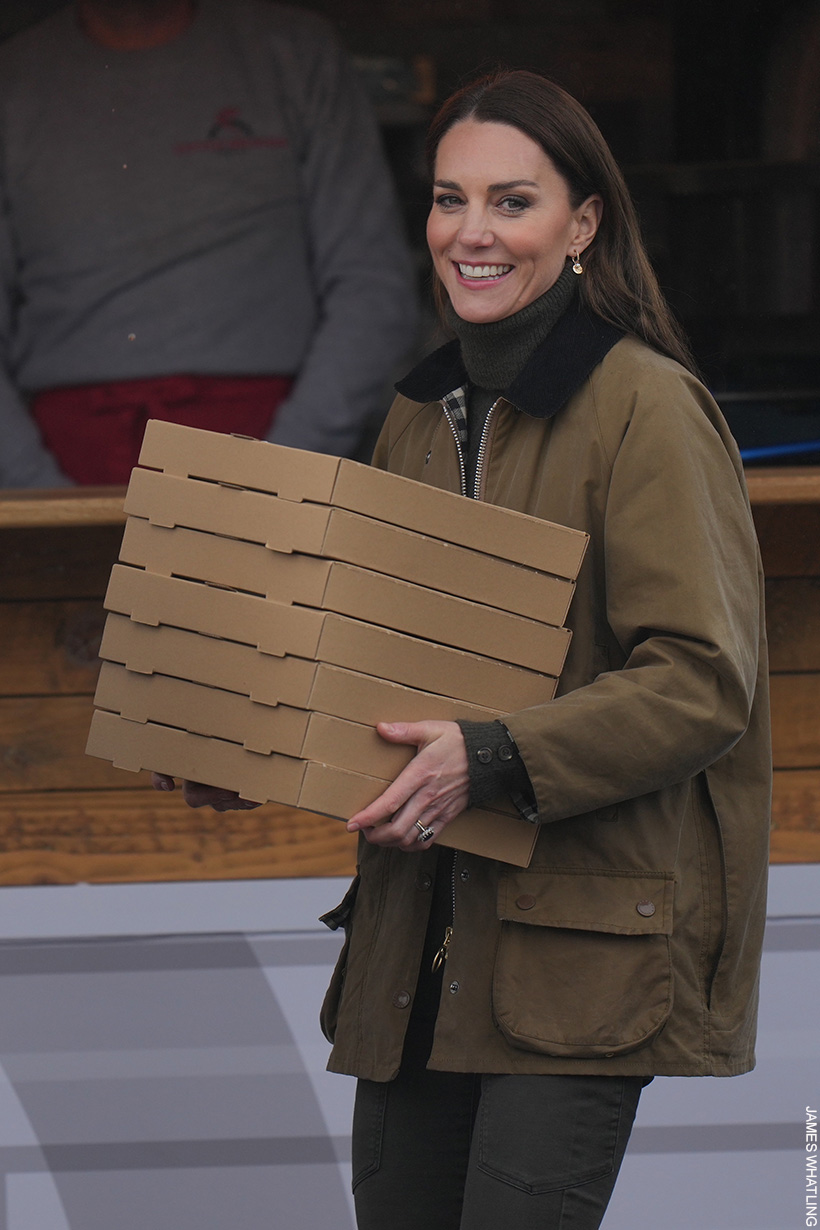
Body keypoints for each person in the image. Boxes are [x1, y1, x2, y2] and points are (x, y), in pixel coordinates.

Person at [154, 70, 771, 1230]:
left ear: (583, 224)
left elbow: (701, 682)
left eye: (512, 201)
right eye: (449, 200)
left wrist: (484, 760)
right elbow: (386, 674)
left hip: (573, 960)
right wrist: (256, 742)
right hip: (414, 953)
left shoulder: (649, 406)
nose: (471, 234)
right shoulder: (413, 412)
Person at [0, 0, 416, 487]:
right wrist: (36, 491)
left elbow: (372, 288)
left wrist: (279, 476)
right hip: (63, 451)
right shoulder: (15, 77)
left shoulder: (294, 53)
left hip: (275, 438)